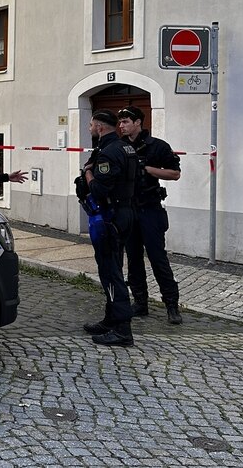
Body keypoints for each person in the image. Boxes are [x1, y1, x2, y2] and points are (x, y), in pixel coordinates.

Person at [117, 106, 183, 325]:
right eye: (120, 122)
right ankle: (140, 302)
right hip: (129, 210)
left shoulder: (157, 146)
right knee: (134, 258)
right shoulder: (121, 146)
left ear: (138, 123)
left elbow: (175, 174)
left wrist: (148, 170)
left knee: (157, 258)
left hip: (150, 209)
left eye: (126, 121)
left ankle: (172, 305)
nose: (122, 125)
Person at [80, 109, 140, 346]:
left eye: (91, 124)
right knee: (112, 266)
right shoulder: (126, 147)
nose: (90, 128)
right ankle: (111, 319)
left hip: (110, 216)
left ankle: (123, 329)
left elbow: (99, 189)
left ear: (100, 127)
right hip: (124, 213)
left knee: (110, 272)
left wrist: (87, 173)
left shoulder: (108, 153)